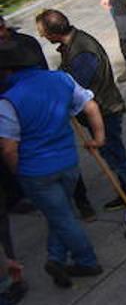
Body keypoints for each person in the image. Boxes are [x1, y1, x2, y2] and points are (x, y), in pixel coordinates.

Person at [35, 9, 126, 226]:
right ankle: (125, 194)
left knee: (120, 162)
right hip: (98, 113)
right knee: (113, 160)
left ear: (53, 33)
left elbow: (75, 86)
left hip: (105, 112)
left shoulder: (83, 51)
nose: (43, 37)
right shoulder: (72, 44)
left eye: (44, 33)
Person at [0, 38, 104, 289]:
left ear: (8, 70)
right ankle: (55, 258)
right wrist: (98, 138)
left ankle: (87, 261)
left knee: (62, 217)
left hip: (36, 170)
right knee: (60, 211)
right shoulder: (62, 79)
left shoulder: (8, 101)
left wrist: (18, 173)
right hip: (68, 161)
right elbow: (90, 105)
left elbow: (8, 148)